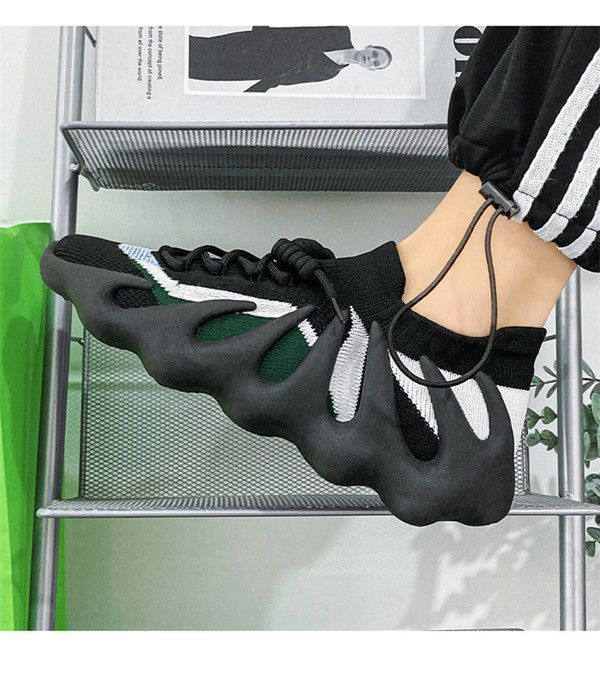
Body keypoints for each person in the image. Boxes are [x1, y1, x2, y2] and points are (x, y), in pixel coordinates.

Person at [40, 26, 599, 525]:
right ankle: (439, 334)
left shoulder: (328, 60)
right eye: (375, 56)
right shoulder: (328, 42)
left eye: (378, 59)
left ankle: (436, 335)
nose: (371, 58)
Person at [188, 26, 392, 93]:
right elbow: (298, 24)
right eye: (375, 54)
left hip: (255, 69)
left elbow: (287, 79)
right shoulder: (340, 31)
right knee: (200, 47)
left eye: (375, 63)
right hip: (256, 44)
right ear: (370, 46)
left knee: (198, 71)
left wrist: (256, 90)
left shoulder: (330, 74)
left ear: (370, 69)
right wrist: (261, 28)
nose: (370, 59)